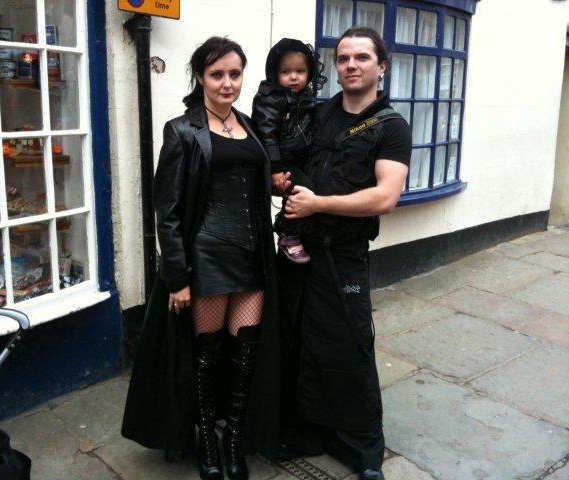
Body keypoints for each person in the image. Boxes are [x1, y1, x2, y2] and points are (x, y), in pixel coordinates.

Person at [121, 37, 280, 480]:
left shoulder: (248, 126)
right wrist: (176, 277)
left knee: (245, 353)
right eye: (217, 75)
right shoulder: (182, 129)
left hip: (252, 257)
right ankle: (207, 438)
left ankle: (234, 440)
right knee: (206, 357)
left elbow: (254, 188)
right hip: (206, 258)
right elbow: (166, 210)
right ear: (200, 77)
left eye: (234, 74)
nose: (227, 83)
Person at [276, 27, 412, 480]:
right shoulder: (319, 113)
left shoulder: (390, 126)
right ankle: (307, 431)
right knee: (298, 341)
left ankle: (362, 449)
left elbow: (384, 198)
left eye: (361, 58)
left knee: (349, 346)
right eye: (343, 58)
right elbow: (286, 154)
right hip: (298, 250)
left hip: (343, 256)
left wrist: (317, 203)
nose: (351, 65)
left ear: (381, 66)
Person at [251, 38, 326, 264]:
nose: (293, 77)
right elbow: (267, 134)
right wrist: (275, 168)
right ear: (275, 73)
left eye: (300, 71)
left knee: (314, 188)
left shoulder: (307, 98)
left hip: (302, 159)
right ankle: (289, 234)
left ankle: (295, 229)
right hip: (281, 161)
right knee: (303, 190)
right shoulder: (269, 99)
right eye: (286, 71)